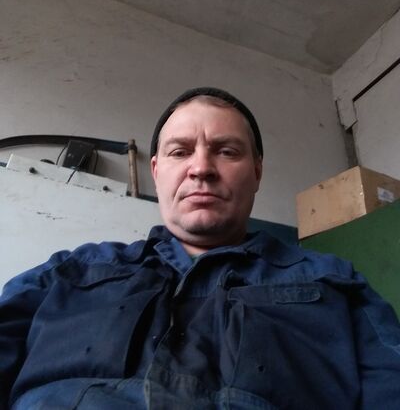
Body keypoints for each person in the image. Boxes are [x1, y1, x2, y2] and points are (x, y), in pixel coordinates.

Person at [1, 87, 400, 410]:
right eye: (180, 152)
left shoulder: (334, 284)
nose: (202, 168)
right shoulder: (67, 274)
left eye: (227, 151)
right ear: (156, 171)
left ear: (256, 172)